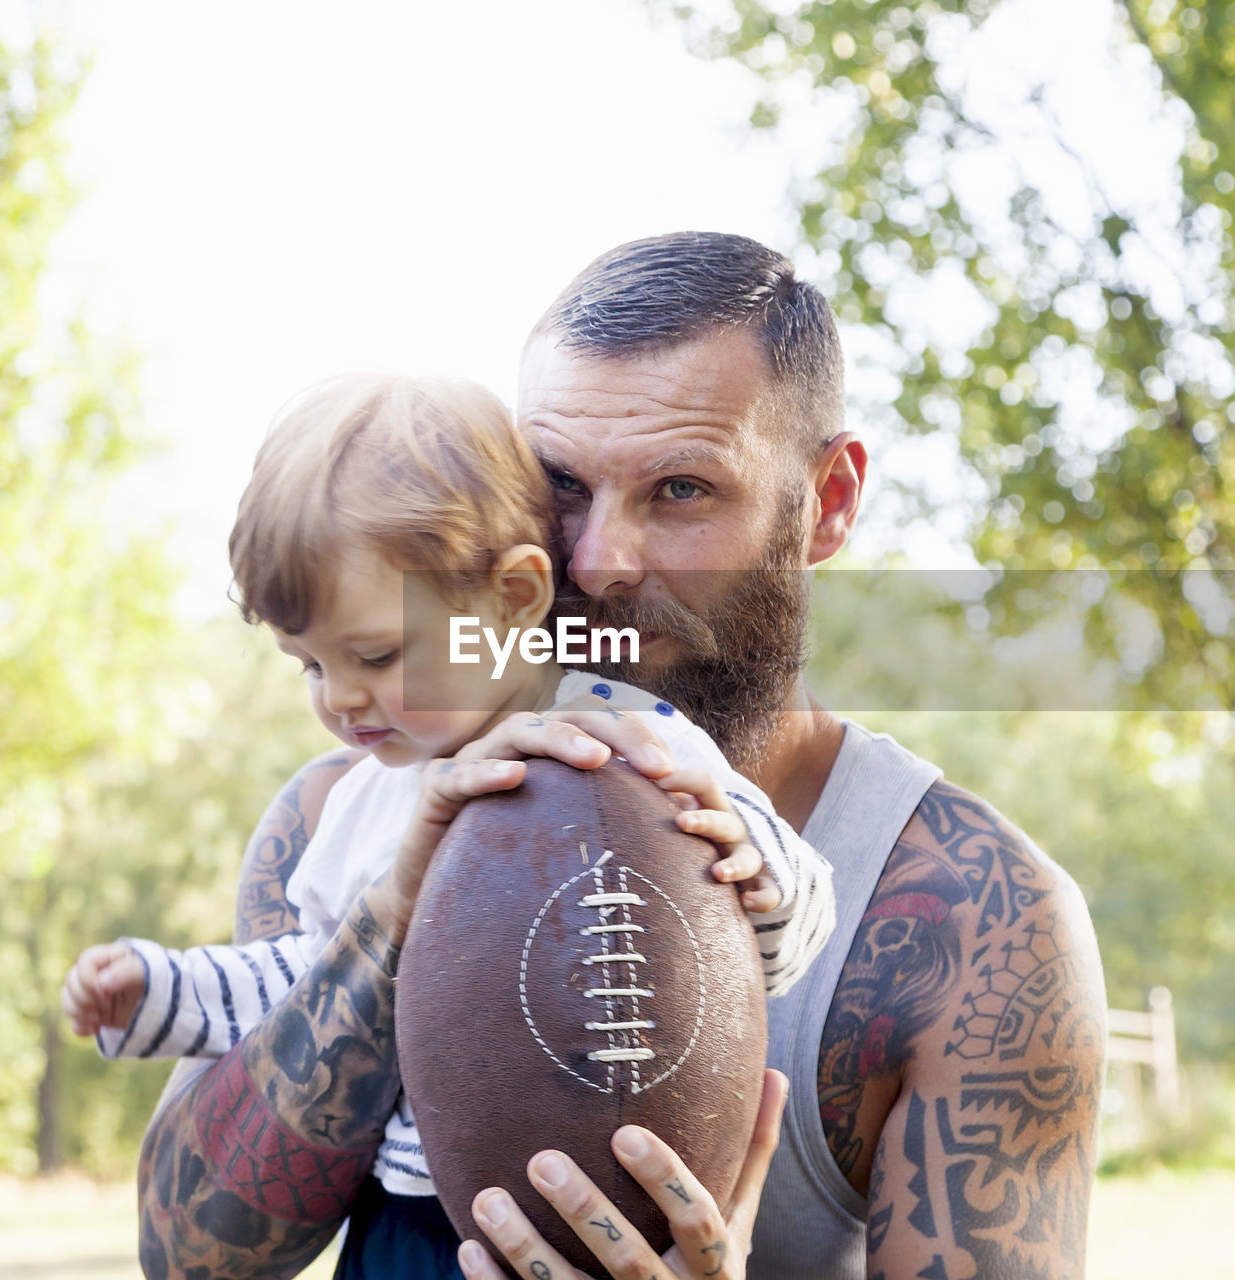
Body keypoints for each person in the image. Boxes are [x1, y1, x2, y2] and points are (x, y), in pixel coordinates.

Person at [131, 233, 1108, 1280]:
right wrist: (388, 917)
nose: (597, 561)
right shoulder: (342, 814)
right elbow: (190, 1253)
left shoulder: (973, 917)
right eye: (561, 482)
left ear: (825, 502)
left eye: (680, 489)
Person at [62, 370, 834, 1224]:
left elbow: (766, 950)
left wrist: (755, 862)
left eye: (377, 655)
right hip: (409, 1214)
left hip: (599, 1197)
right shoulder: (371, 796)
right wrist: (162, 990)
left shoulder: (630, 742)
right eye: (312, 666)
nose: (340, 699)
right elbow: (312, 979)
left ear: (511, 598)